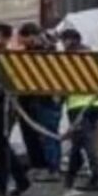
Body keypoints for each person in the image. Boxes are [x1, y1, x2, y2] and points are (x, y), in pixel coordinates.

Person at [61, 28, 98, 192]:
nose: (63, 44)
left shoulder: (70, 59)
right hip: (96, 104)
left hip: (79, 105)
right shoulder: (93, 58)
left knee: (86, 142)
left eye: (64, 40)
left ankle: (95, 178)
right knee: (78, 142)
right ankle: (70, 176)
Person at [0, 23, 30, 196]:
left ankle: (2, 185)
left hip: (5, 104)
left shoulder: (9, 56)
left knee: (2, 145)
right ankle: (20, 179)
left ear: (6, 38)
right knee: (0, 144)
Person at [17, 21, 63, 179]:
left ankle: (51, 168)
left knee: (47, 133)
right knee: (40, 134)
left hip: (45, 98)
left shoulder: (45, 51)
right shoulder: (38, 50)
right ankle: (43, 165)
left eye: (23, 38)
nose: (21, 43)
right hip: (36, 98)